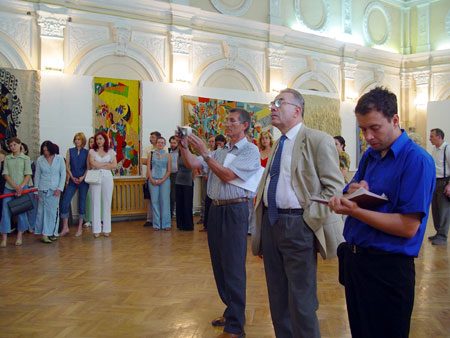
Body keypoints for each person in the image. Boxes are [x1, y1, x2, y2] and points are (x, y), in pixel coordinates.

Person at [329, 87, 435, 338]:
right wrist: (353, 191)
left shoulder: (416, 160)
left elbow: (408, 227)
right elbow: (354, 193)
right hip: (358, 262)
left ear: (395, 120)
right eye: (362, 129)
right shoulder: (370, 156)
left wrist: (355, 211)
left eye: (374, 128)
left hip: (388, 269)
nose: (367, 136)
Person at [251, 88, 344, 338]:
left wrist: (308, 220)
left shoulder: (317, 139)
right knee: (277, 299)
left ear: (297, 110)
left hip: (298, 224)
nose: (272, 107)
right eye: (272, 103)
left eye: (279, 103)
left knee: (301, 303)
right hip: (272, 223)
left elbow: (334, 188)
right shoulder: (278, 142)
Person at [178, 108, 260, 338]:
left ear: (244, 125)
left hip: (235, 209)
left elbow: (226, 175)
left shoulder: (250, 151)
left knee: (233, 266)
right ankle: (231, 309)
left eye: (232, 121)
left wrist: (205, 153)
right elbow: (195, 164)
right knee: (220, 264)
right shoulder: (221, 151)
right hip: (216, 210)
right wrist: (185, 148)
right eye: (226, 120)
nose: (227, 124)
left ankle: (236, 326)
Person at [0, 137, 32, 247]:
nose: (13, 147)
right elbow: (5, 173)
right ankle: (4, 237)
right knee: (5, 211)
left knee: (21, 212)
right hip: (9, 187)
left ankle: (19, 236)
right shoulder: (8, 159)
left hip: (22, 188)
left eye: (14, 145)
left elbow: (28, 174)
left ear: (19, 145)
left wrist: (21, 187)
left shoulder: (25, 159)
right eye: (11, 146)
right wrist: (14, 186)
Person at [34, 140, 66, 243]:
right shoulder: (40, 160)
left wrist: (59, 188)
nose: (45, 152)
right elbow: (37, 176)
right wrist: (36, 191)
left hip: (55, 189)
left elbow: (63, 175)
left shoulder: (60, 159)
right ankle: (44, 234)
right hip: (42, 188)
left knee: (53, 212)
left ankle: (52, 232)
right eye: (44, 150)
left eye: (47, 150)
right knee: (42, 212)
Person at [59, 132, 89, 237]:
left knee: (82, 202)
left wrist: (83, 177)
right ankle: (65, 227)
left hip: (83, 181)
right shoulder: (70, 151)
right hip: (72, 179)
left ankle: (80, 227)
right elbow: (67, 166)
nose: (77, 141)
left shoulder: (87, 152)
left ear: (83, 141)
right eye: (76, 139)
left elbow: (88, 167)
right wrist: (71, 177)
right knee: (65, 202)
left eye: (79, 139)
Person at [89, 131, 117, 237]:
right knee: (95, 202)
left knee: (107, 201)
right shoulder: (92, 151)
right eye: (97, 139)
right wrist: (106, 164)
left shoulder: (110, 151)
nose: (98, 141)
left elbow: (114, 165)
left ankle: (107, 229)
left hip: (107, 177)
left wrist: (100, 165)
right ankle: (96, 229)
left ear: (105, 140)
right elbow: (92, 163)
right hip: (95, 176)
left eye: (100, 139)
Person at [428, 128, 450, 245]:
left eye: (432, 136)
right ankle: (438, 232)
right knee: (436, 209)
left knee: (444, 210)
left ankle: (443, 235)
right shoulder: (435, 150)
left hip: (444, 182)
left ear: (439, 137)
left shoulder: (447, 149)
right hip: (435, 182)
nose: (429, 139)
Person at [148, 136, 171, 231]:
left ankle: (166, 224)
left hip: (164, 180)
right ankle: (156, 224)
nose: (160, 144)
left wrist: (162, 179)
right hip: (153, 179)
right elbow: (149, 168)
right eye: (159, 142)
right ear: (156, 144)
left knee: (165, 201)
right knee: (154, 201)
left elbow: (169, 170)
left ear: (165, 144)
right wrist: (151, 179)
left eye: (162, 142)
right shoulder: (151, 154)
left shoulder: (168, 155)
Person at [142, 131, 161, 227]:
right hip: (149, 176)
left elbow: (165, 160)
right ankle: (149, 219)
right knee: (149, 199)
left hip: (161, 177)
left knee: (160, 198)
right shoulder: (147, 149)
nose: (151, 139)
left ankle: (159, 218)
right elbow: (143, 161)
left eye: (153, 137)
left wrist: (151, 160)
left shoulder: (163, 148)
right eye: (150, 137)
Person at [175, 143, 194, 231]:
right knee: (179, 204)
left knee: (187, 204)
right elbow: (178, 167)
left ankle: (188, 225)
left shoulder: (191, 156)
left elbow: (194, 170)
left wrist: (192, 180)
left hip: (188, 181)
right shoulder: (178, 156)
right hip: (179, 181)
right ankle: (180, 224)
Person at [20, 142, 37, 233]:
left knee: (32, 208)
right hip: (19, 186)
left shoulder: (30, 162)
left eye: (22, 148)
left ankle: (31, 226)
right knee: (22, 207)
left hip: (29, 186)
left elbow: (33, 175)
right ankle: (23, 227)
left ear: (26, 151)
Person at [83, 136, 96, 228]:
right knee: (88, 199)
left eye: (93, 142)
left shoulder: (100, 152)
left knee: (99, 199)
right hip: (89, 176)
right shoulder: (87, 153)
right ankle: (88, 219)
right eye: (90, 142)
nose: (92, 143)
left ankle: (99, 219)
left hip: (99, 176)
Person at [168, 136, 179, 218]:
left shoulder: (181, 152)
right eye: (171, 143)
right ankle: (170, 213)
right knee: (171, 195)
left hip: (178, 174)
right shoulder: (167, 152)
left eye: (174, 143)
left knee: (177, 195)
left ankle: (178, 213)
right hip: (169, 175)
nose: (172, 144)